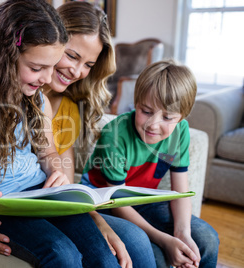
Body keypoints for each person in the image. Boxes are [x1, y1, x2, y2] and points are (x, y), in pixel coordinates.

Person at [0, 0, 122, 267]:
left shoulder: (38, 100)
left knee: (102, 255)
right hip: (2, 204)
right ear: (7, 56)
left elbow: (48, 152)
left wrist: (56, 171)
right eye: (37, 68)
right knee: (62, 254)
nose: (45, 78)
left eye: (51, 67)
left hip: (42, 194)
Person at [41, 2, 156, 267]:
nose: (77, 71)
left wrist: (96, 219)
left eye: (88, 64)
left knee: (135, 242)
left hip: (56, 206)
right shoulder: (11, 96)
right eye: (71, 55)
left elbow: (66, 188)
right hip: (25, 207)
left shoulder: (68, 108)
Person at [81, 59, 220, 267]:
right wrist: (165, 240)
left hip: (143, 200)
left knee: (207, 240)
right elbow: (119, 204)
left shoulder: (181, 132)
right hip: (105, 204)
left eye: (167, 117)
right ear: (136, 103)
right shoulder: (115, 135)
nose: (153, 124)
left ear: (182, 116)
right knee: (157, 256)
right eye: (146, 111)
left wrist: (182, 233)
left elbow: (179, 192)